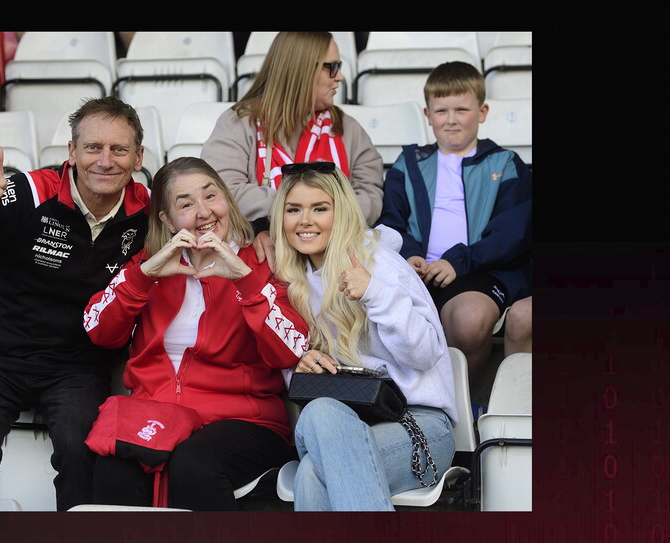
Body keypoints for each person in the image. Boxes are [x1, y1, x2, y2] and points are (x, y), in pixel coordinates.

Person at [0, 96, 150, 511]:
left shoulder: (148, 213)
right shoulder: (26, 192)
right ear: (72, 153)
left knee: (83, 463)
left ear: (138, 157)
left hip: (78, 365)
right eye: (93, 147)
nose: (106, 160)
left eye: (119, 149)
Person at [82, 157, 310, 510]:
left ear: (227, 201)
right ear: (167, 220)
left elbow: (290, 350)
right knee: (112, 468)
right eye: (186, 204)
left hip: (243, 419)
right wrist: (144, 277)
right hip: (155, 415)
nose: (203, 212)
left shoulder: (260, 262)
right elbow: (98, 330)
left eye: (210, 196)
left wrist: (245, 282)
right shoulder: (150, 264)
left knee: (193, 464)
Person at [268, 161, 457, 511]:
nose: (305, 220)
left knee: (312, 468)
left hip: (418, 426)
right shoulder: (289, 281)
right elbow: (301, 384)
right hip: (341, 422)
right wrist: (301, 362)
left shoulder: (380, 265)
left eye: (319, 209)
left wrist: (375, 292)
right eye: (294, 209)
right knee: (322, 415)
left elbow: (425, 354)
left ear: (340, 213)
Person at [378, 60, 532, 383]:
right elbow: (391, 223)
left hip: (478, 269)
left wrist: (459, 260)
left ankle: (458, 403)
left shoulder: (505, 164)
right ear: (427, 115)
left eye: (461, 110)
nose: (450, 120)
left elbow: (511, 234)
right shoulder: (407, 165)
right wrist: (409, 254)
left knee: (469, 320)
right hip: (417, 271)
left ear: (483, 112)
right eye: (441, 111)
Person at [200, 31, 385, 229]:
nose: (339, 77)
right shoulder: (238, 122)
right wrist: (313, 209)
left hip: (336, 250)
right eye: (332, 67)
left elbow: (370, 196)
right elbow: (223, 191)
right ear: (301, 70)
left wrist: (306, 214)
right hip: (260, 245)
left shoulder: (348, 128)